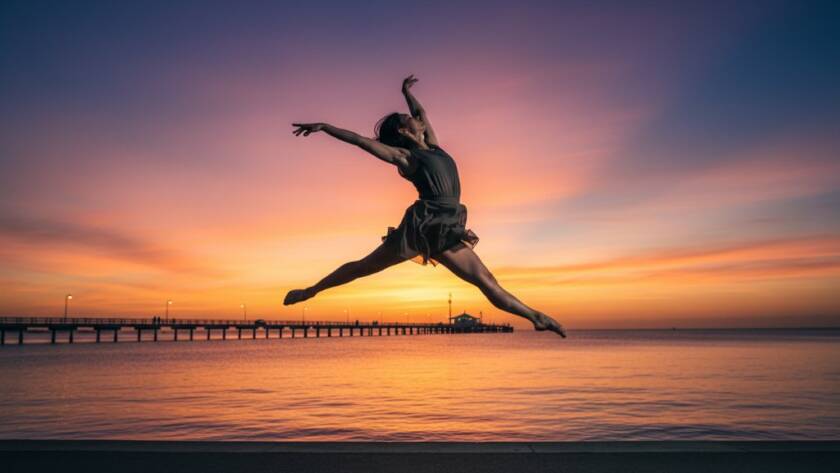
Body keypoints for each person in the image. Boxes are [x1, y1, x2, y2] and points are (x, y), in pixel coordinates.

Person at [284, 75, 565, 338]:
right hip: (424, 225)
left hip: (448, 224)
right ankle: (312, 290)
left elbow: (423, 114)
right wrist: (325, 127)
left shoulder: (433, 145)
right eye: (411, 118)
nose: (418, 118)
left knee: (486, 280)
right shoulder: (406, 157)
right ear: (404, 130)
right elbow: (360, 141)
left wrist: (406, 93)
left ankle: (535, 317)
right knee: (365, 267)